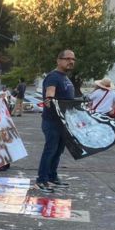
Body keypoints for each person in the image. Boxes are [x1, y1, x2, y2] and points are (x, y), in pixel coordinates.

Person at [36, 50, 76, 194]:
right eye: (67, 59)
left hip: (64, 122)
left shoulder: (65, 77)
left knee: (58, 151)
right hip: (52, 121)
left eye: (73, 59)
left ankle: (52, 177)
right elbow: (50, 94)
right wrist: (50, 99)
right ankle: (41, 180)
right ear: (58, 60)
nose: (71, 61)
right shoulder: (53, 77)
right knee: (50, 150)